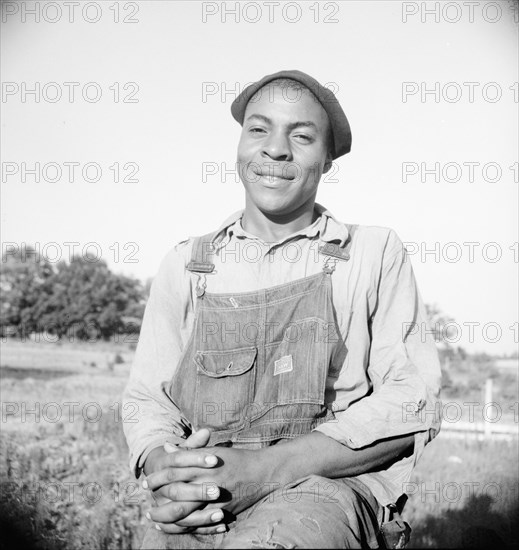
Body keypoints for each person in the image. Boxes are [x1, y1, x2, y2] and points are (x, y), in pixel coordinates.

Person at [123, 69, 442, 549]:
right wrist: (163, 465)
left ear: (328, 160)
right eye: (259, 128)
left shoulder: (373, 254)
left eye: (302, 136)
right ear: (239, 145)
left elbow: (412, 402)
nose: (275, 149)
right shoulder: (188, 265)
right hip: (210, 487)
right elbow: (149, 399)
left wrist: (262, 471)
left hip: (325, 491)